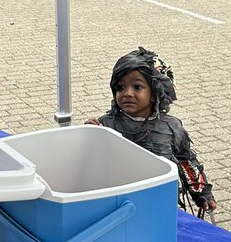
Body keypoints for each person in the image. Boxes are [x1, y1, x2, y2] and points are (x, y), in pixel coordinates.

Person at [87, 47, 215, 212]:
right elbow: (87, 162)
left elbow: (186, 161)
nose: (127, 93)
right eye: (120, 87)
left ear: (156, 91)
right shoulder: (105, 125)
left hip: (159, 203)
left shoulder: (172, 127)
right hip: (115, 206)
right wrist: (90, 135)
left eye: (137, 87)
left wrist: (202, 193)